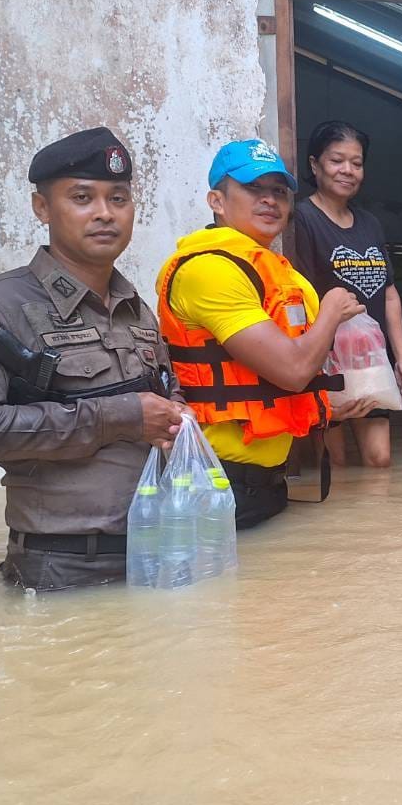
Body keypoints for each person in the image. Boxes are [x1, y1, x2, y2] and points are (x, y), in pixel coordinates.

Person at [0, 127, 186, 591]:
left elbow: (163, 390)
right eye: (83, 197)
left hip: (155, 555)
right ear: (42, 208)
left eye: (119, 198)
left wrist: (174, 415)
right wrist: (120, 417)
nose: (105, 214)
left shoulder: (135, 307)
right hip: (61, 572)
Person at [156, 139, 367, 529]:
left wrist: (327, 405)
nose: (270, 200)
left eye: (279, 192)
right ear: (216, 201)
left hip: (268, 482)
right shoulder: (209, 270)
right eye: (254, 189)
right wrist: (332, 311)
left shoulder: (280, 273)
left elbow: (280, 377)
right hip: (216, 479)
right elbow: (291, 368)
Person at [290, 120, 402, 468]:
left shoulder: (369, 223)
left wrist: (400, 359)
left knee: (379, 461)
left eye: (356, 163)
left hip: (371, 361)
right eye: (336, 161)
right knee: (335, 467)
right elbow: (298, 299)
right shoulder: (302, 219)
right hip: (326, 363)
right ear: (315, 165)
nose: (347, 170)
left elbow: (389, 294)